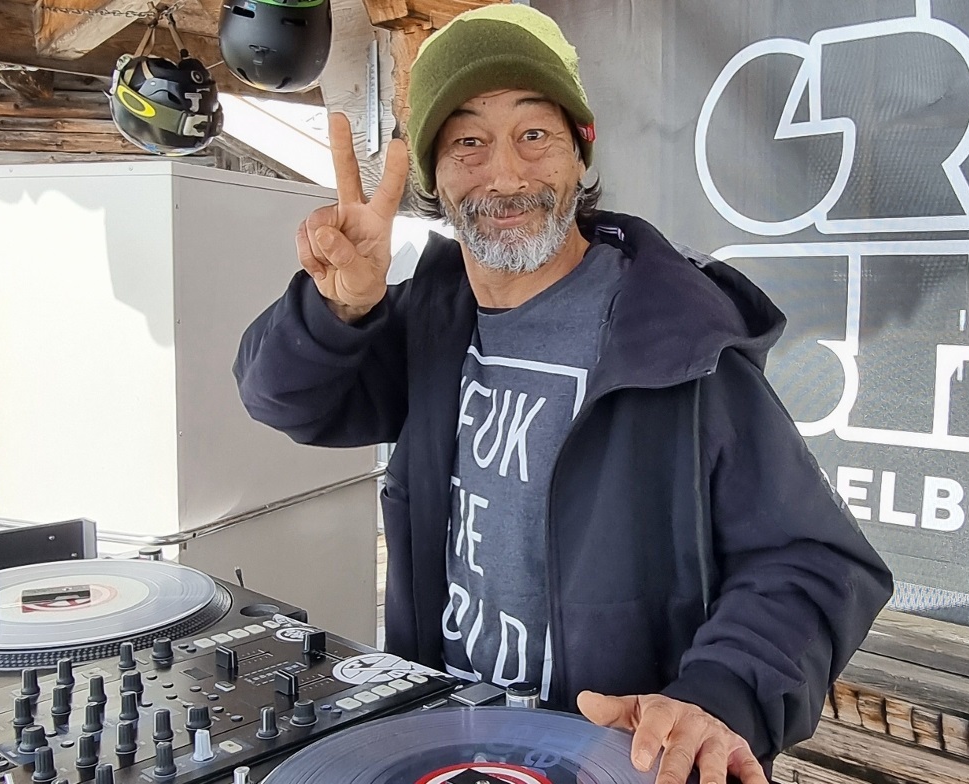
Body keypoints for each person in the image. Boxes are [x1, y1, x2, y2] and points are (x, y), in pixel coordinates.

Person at [235, 5, 893, 782]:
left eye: (535, 134)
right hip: (444, 746)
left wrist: (720, 697)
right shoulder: (428, 321)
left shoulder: (674, 334)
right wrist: (339, 306)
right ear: (433, 178)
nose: (506, 174)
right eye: (468, 141)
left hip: (615, 760)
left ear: (580, 151)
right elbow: (286, 399)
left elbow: (811, 558)